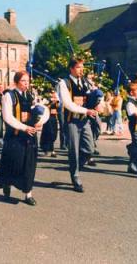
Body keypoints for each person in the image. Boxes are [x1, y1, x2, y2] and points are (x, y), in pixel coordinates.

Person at [0, 71, 49, 205]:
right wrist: (23, 127)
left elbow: (44, 109)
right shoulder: (9, 96)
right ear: (16, 82)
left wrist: (40, 121)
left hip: (30, 134)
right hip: (15, 135)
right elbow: (7, 117)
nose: (27, 83)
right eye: (23, 81)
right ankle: (7, 183)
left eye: (28, 81)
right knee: (13, 162)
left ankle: (28, 193)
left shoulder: (31, 95)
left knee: (30, 163)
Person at [57, 58, 98, 193]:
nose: (82, 70)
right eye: (79, 67)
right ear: (71, 69)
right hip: (72, 121)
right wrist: (86, 110)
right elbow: (68, 104)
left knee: (89, 149)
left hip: (84, 120)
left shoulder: (85, 82)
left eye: (82, 67)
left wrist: (97, 100)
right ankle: (75, 176)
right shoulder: (64, 83)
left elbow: (93, 96)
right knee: (73, 151)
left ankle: (75, 167)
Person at [40, 90, 59, 157]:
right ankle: (48, 150)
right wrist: (51, 103)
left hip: (54, 117)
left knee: (54, 134)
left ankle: (51, 149)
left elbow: (58, 107)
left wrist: (56, 102)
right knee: (49, 133)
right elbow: (44, 107)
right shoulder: (46, 98)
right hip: (48, 117)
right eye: (52, 93)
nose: (53, 95)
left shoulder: (57, 99)